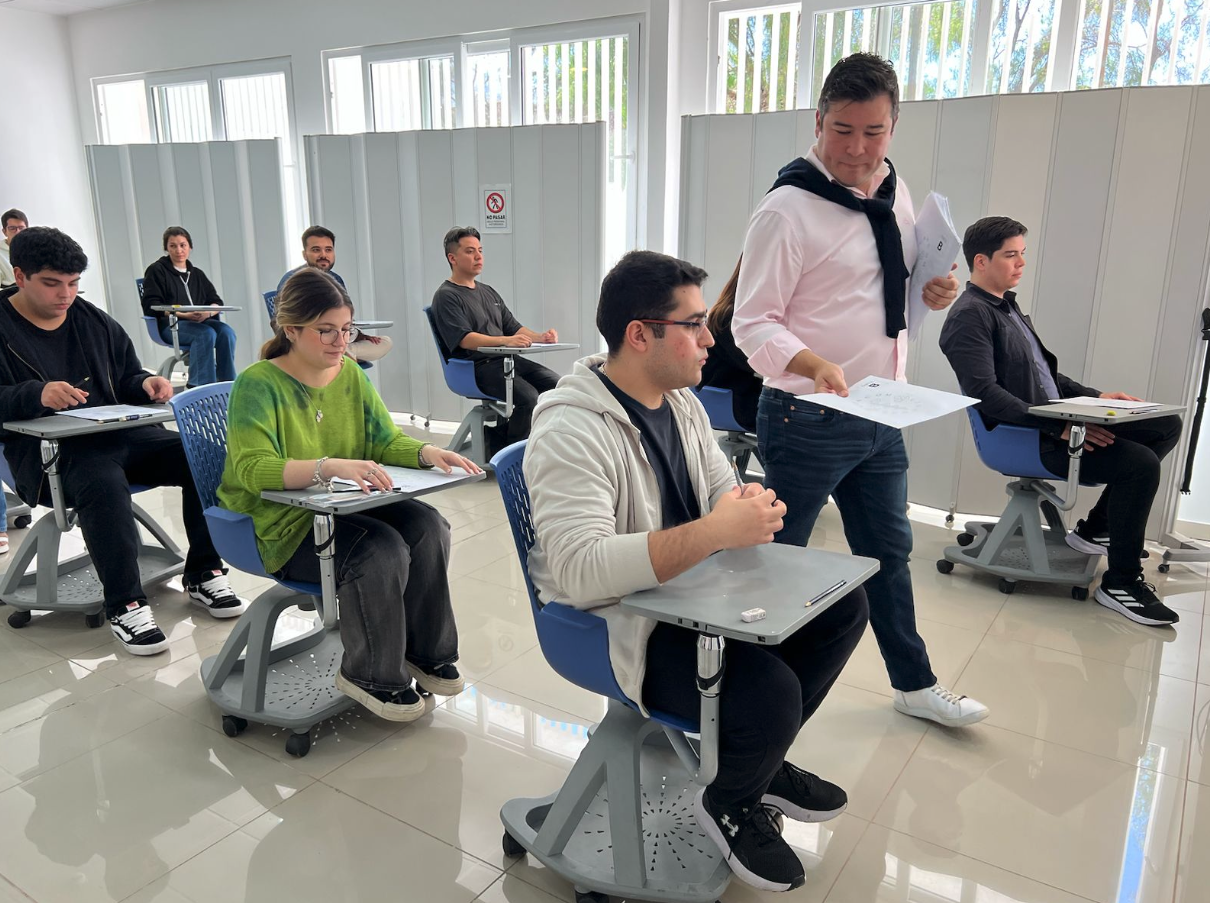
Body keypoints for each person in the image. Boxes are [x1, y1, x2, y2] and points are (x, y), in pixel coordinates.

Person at [525, 250, 869, 893]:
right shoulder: (571, 430)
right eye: (693, 325)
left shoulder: (679, 401)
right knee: (771, 695)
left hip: (692, 594)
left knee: (843, 606)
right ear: (640, 334)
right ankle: (733, 799)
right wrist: (715, 531)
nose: (711, 339)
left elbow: (719, 489)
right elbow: (579, 570)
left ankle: (758, 764)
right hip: (620, 621)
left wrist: (744, 506)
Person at [732, 52, 988, 728]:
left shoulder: (895, 194)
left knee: (890, 555)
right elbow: (750, 322)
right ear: (818, 122)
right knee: (773, 562)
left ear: (893, 127)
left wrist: (932, 292)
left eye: (873, 132)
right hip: (806, 414)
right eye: (842, 130)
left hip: (879, 410)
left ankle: (914, 684)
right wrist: (810, 361)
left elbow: (882, 291)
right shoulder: (787, 210)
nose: (856, 149)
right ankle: (735, 696)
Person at [219, 268, 481, 721]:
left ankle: (424, 652)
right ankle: (370, 674)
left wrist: (427, 453)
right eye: (326, 331)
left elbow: (383, 440)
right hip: (280, 524)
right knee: (379, 550)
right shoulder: (258, 384)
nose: (340, 342)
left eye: (346, 330)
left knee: (429, 526)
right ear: (291, 329)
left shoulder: (351, 375)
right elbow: (253, 470)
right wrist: (327, 466)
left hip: (339, 507)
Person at [0, 227, 247, 654]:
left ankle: (204, 572)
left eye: (74, 283)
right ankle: (125, 604)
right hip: (51, 455)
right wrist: (34, 395)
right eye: (52, 283)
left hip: (121, 435)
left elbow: (127, 374)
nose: (66, 295)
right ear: (20, 276)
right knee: (102, 481)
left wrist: (146, 383)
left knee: (207, 458)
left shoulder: (92, 320)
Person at [939, 216, 1183, 627]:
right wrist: (1059, 428)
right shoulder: (969, 316)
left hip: (1052, 424)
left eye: (1023, 254)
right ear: (981, 261)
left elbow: (1045, 379)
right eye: (1011, 255)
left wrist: (1097, 397)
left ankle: (1096, 530)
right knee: (1139, 464)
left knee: (1165, 426)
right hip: (1027, 437)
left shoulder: (1007, 307)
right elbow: (985, 393)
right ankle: (1120, 583)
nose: (1021, 263)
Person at [431, 226, 560, 452]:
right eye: (470, 251)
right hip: (476, 367)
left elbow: (514, 328)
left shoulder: (488, 291)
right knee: (528, 399)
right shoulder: (446, 296)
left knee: (557, 386)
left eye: (480, 250)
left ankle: (496, 439)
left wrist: (541, 337)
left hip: (506, 361)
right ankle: (512, 456)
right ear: (452, 258)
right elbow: (465, 339)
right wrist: (505, 341)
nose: (478, 256)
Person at [277, 226, 392, 363]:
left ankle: (346, 352)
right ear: (304, 254)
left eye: (328, 250)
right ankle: (343, 355)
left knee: (385, 342)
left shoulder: (335, 279)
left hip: (340, 339)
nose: (323, 255)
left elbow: (345, 319)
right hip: (313, 341)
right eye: (316, 250)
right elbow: (283, 323)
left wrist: (360, 336)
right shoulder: (294, 281)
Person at [140, 226, 237, 387]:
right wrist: (183, 315)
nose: (179, 250)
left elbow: (216, 301)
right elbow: (151, 305)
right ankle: (200, 387)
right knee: (205, 334)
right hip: (171, 326)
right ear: (166, 249)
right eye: (173, 246)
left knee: (227, 332)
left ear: (190, 247)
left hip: (201, 322)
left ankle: (227, 384)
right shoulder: (156, 271)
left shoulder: (197, 274)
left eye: (183, 245)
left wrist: (208, 313)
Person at [700, 257, 763, 432]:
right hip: (734, 402)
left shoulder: (726, 311)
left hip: (725, 398)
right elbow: (762, 365)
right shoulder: (731, 317)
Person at [0, 208, 28, 287]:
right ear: (4, 232)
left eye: (21, 228)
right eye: (12, 228)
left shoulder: (36, 248)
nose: (18, 232)